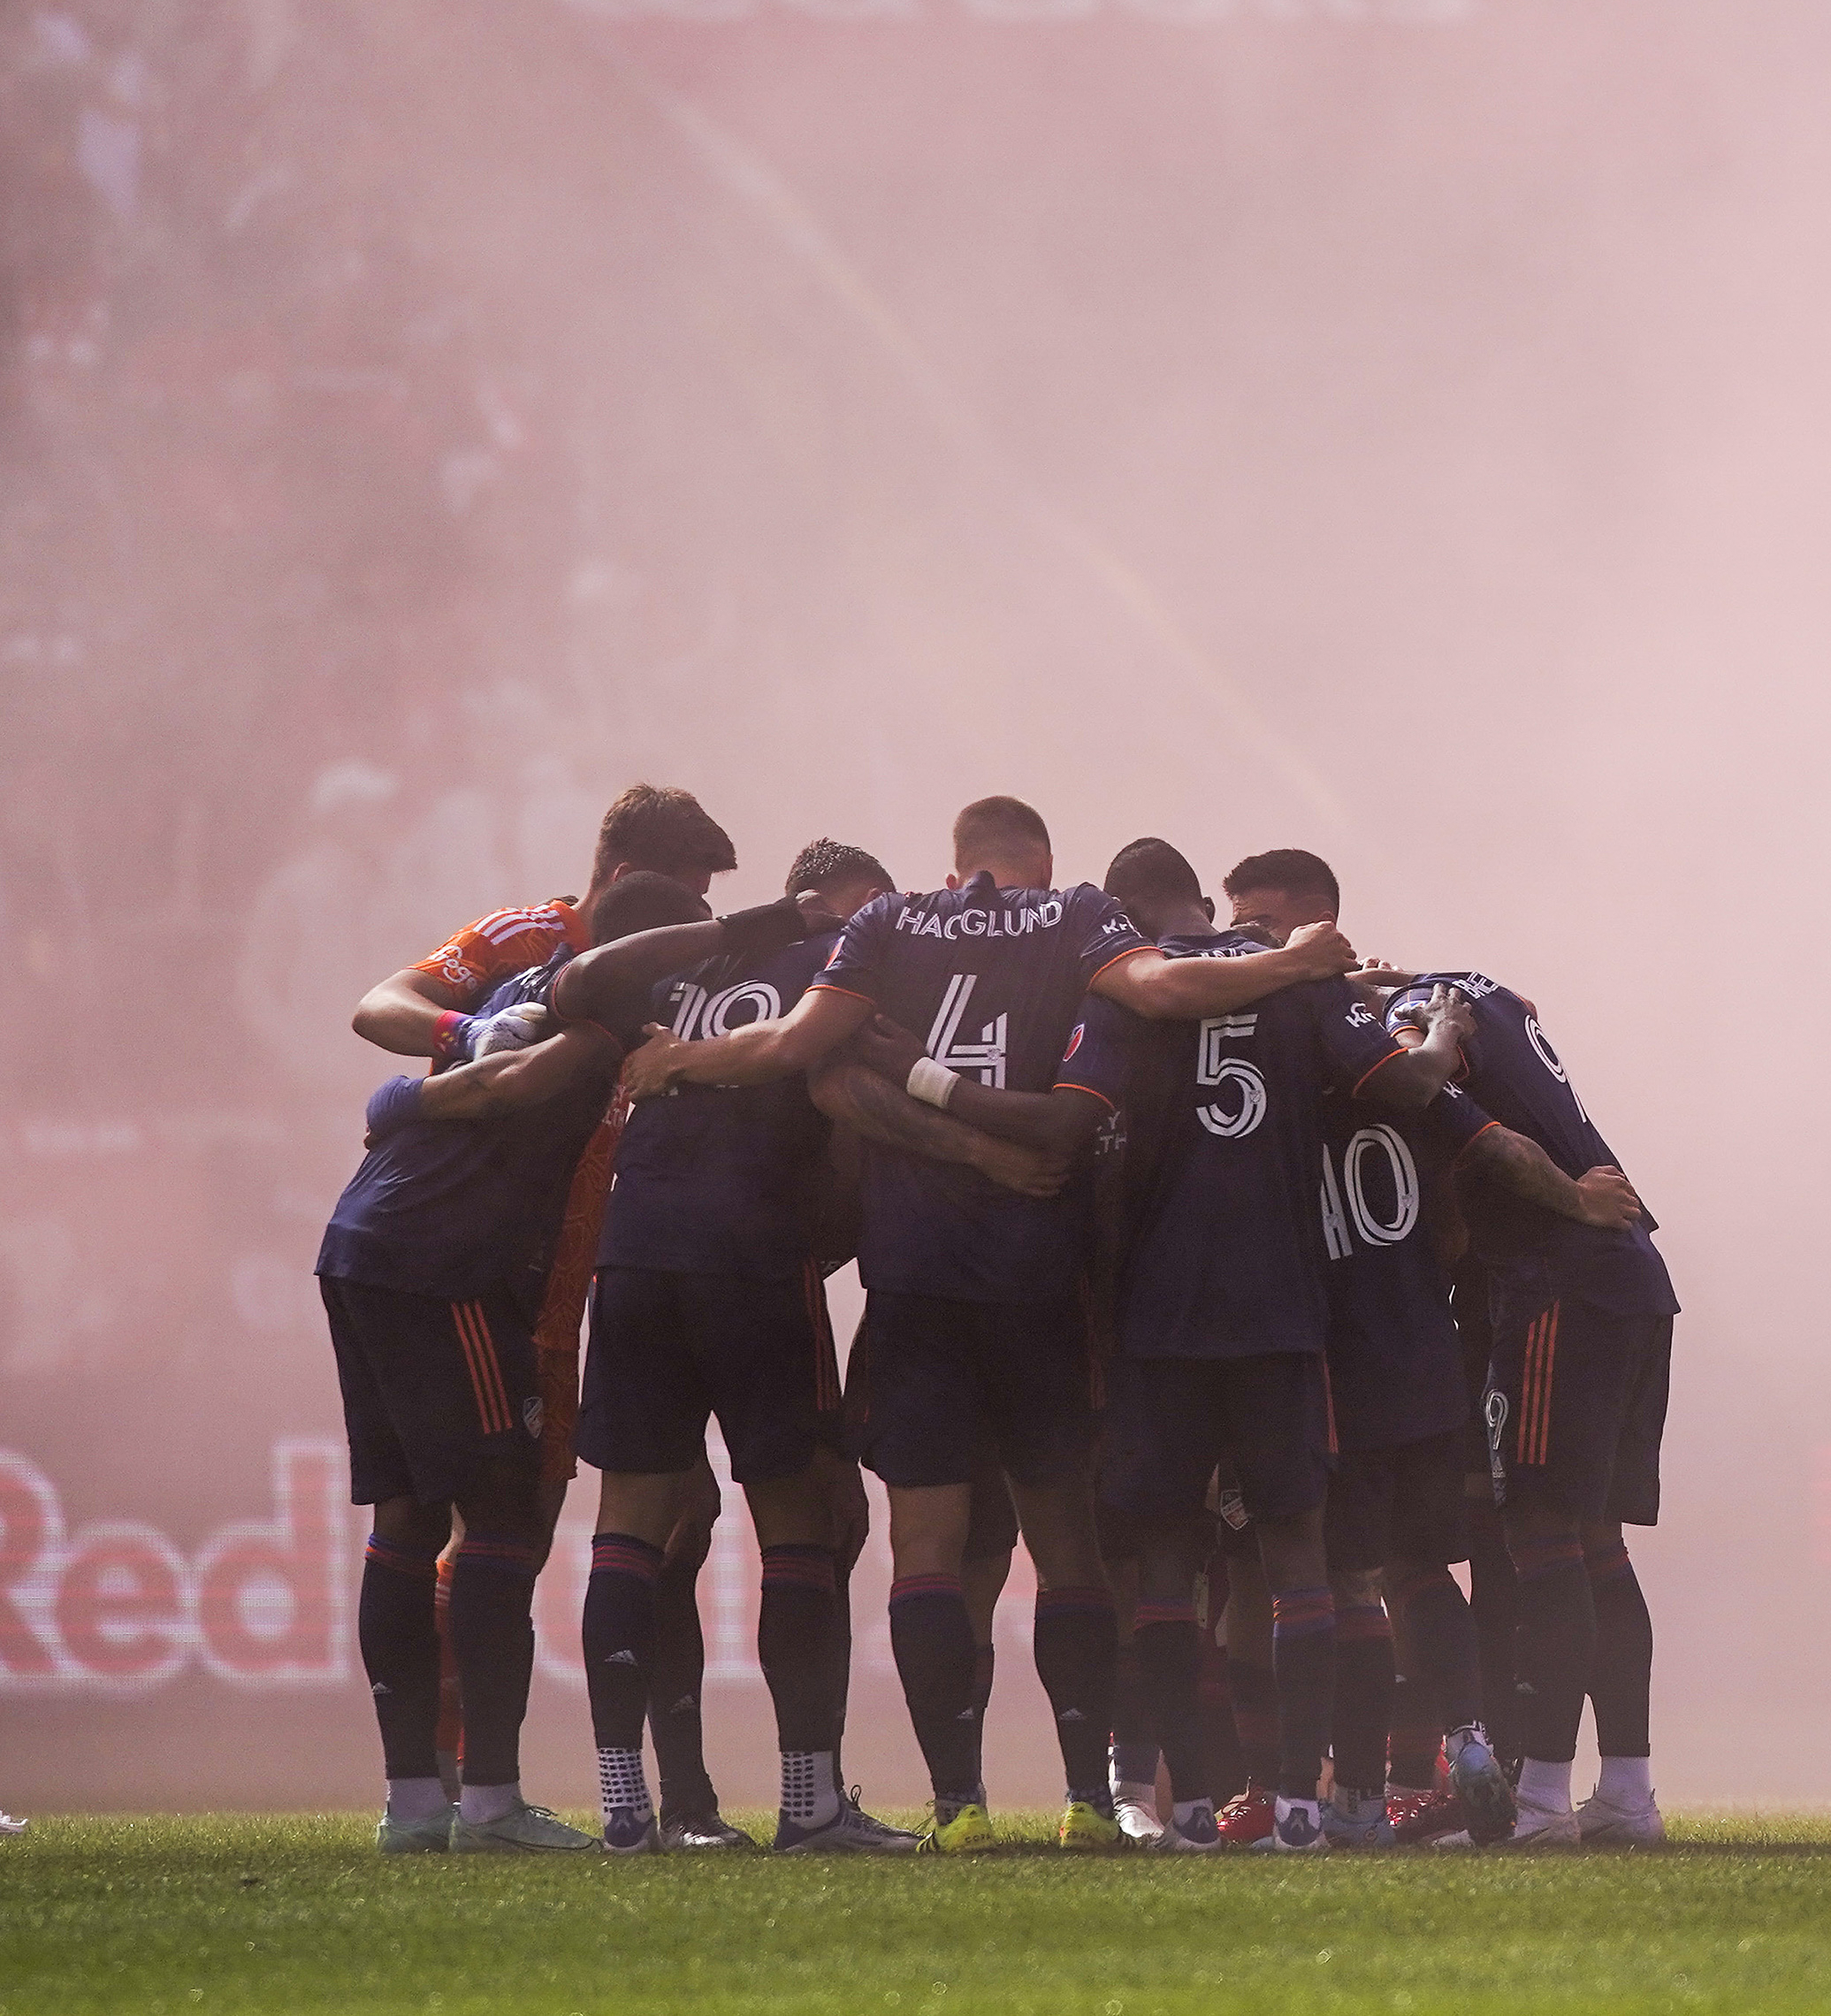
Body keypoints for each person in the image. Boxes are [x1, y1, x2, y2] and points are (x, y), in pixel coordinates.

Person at [622, 797, 1358, 1852]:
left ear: (957, 862)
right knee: (1064, 1543)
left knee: (926, 1543)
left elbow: (795, 1050)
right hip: (1035, 1276)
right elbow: (1160, 984)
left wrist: (680, 1060)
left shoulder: (887, 925)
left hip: (914, 1276)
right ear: (1039, 860)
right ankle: (1084, 1798)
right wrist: (1289, 963)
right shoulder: (1075, 916)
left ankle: (958, 1806)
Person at [1017, 838, 1466, 1854]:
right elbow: (1402, 1087)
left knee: (1167, 1564)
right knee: (1296, 1551)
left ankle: (1177, 1811)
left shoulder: (1127, 983)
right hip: (1278, 1311)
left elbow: (1087, 1136)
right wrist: (1436, 1032)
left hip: (1159, 1317)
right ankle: (1304, 1809)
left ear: (1129, 910)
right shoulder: (1303, 979)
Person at [346, 783, 748, 1842]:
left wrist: (399, 1103)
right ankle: (476, 1796)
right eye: (683, 909)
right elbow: (384, 1009)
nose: (692, 934)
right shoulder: (553, 956)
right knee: (500, 1515)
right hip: (464, 1262)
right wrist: (451, 1048)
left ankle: (424, 1799)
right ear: (624, 884)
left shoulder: (627, 980)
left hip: (477, 1263)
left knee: (430, 1519)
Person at [1223, 851, 1646, 1848]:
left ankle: (1392, 1792)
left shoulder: (1332, 1044)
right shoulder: (1403, 1005)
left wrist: (1576, 1198)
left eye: (1264, 923)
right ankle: (1492, 1756)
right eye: (1235, 923)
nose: (1245, 941)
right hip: (1451, 1327)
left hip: (1399, 1330)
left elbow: (1472, 1131)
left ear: (1318, 924)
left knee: (1362, 1565)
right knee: (1478, 1553)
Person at [545, 839, 926, 1854]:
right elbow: (839, 1111)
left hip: (635, 1258)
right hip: (753, 1256)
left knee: (628, 1523)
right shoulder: (830, 968)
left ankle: (623, 1805)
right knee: (799, 1519)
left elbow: (578, 980)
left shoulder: (670, 969)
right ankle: (808, 1803)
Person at [1382, 966, 1678, 1847]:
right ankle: (1625, 1790)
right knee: (1592, 1545)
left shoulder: (1412, 1016)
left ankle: (1544, 1798)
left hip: (1559, 1288)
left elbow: (1420, 1077)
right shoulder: (1477, 988)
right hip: (1626, 1281)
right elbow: (1517, 1007)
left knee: (1541, 1537)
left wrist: (1395, 1013)